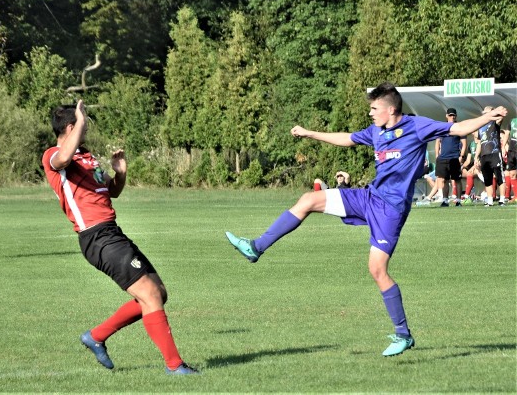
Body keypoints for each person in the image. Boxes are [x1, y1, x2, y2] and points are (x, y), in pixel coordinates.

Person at [225, 82, 507, 357]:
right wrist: (310, 133)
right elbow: (346, 138)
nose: (371, 113)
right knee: (308, 200)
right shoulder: (375, 131)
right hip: (369, 197)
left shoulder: (416, 126)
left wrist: (486, 117)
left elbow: (457, 129)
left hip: (391, 211)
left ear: (391, 110)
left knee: (377, 270)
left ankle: (403, 334)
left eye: (374, 108)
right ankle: (256, 247)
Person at [42, 101, 197, 375]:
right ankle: (175, 366)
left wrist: (120, 173)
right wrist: (80, 119)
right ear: (70, 127)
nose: (87, 128)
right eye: (82, 124)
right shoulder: (54, 156)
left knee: (159, 293)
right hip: (96, 237)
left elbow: (112, 191)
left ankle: (97, 336)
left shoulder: (87, 157)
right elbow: (62, 159)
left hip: (112, 233)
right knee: (149, 295)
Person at [433, 108, 467, 206]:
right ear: (446, 116)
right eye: (450, 115)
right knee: (444, 179)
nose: (452, 117)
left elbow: (464, 144)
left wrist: (461, 156)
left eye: (454, 115)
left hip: (455, 157)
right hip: (443, 158)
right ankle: (445, 200)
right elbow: (437, 142)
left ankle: (459, 201)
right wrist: (436, 155)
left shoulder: (459, 127)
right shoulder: (442, 127)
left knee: (457, 179)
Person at [474, 106, 506, 206]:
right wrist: (476, 157)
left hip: (494, 153)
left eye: (486, 113)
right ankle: (490, 201)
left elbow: (501, 118)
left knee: (500, 177)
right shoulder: (481, 127)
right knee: (487, 179)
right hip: (484, 155)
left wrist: (495, 112)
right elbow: (479, 143)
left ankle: (502, 200)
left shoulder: (494, 122)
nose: (484, 115)